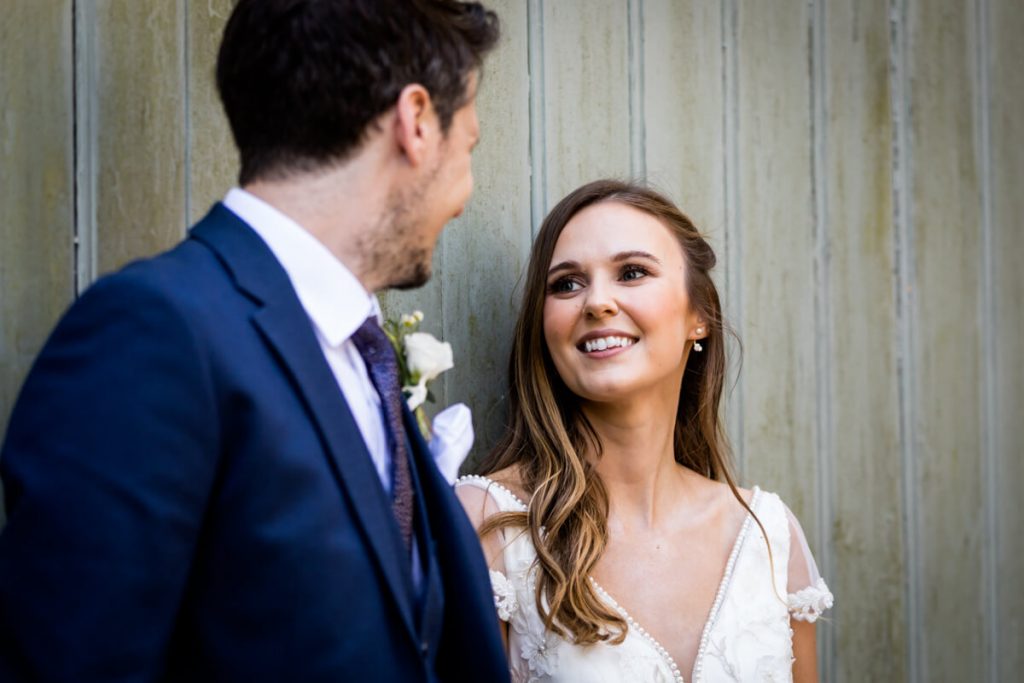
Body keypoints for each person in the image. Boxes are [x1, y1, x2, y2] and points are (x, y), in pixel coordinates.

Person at [0, 1, 509, 681]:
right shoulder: (152, 335)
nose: (465, 194)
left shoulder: (365, 361)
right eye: (467, 146)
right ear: (416, 123)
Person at [456, 180, 833, 682]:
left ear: (698, 315)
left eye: (632, 273)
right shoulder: (489, 525)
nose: (597, 302)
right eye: (566, 283)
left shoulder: (767, 535)